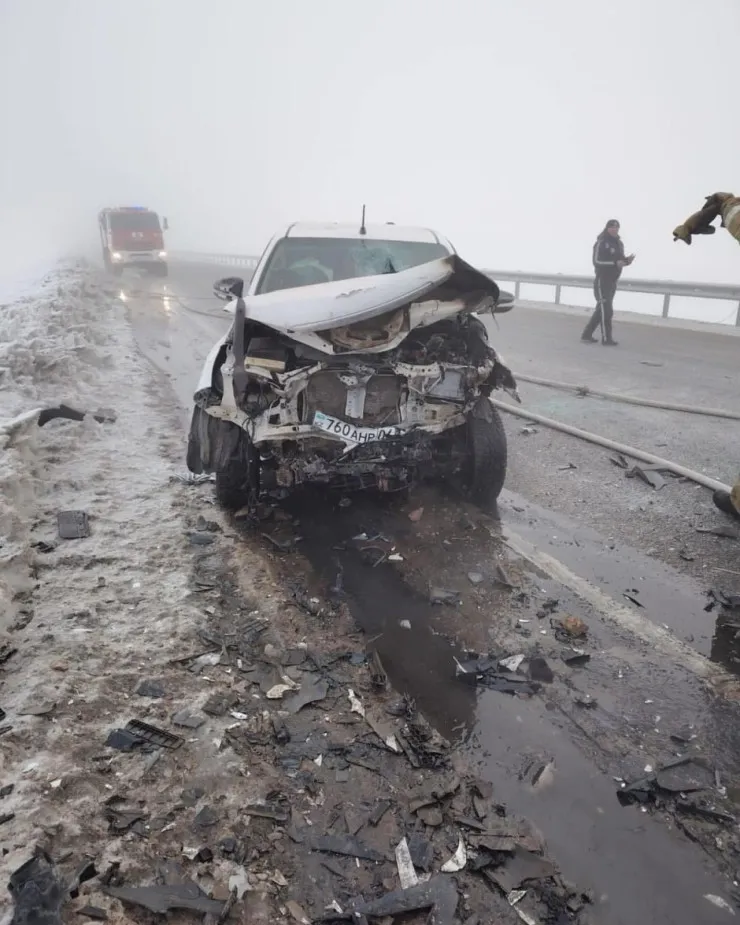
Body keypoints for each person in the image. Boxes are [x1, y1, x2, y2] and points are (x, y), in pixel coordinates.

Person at [581, 220, 635, 346]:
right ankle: (607, 338)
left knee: (602, 309)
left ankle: (586, 334)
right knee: (606, 309)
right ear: (607, 228)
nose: (615, 229)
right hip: (602, 280)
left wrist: (627, 261)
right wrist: (614, 264)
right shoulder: (601, 243)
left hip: (613, 280)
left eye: (617, 227)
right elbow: (596, 261)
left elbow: (619, 260)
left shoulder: (619, 243)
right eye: (612, 227)